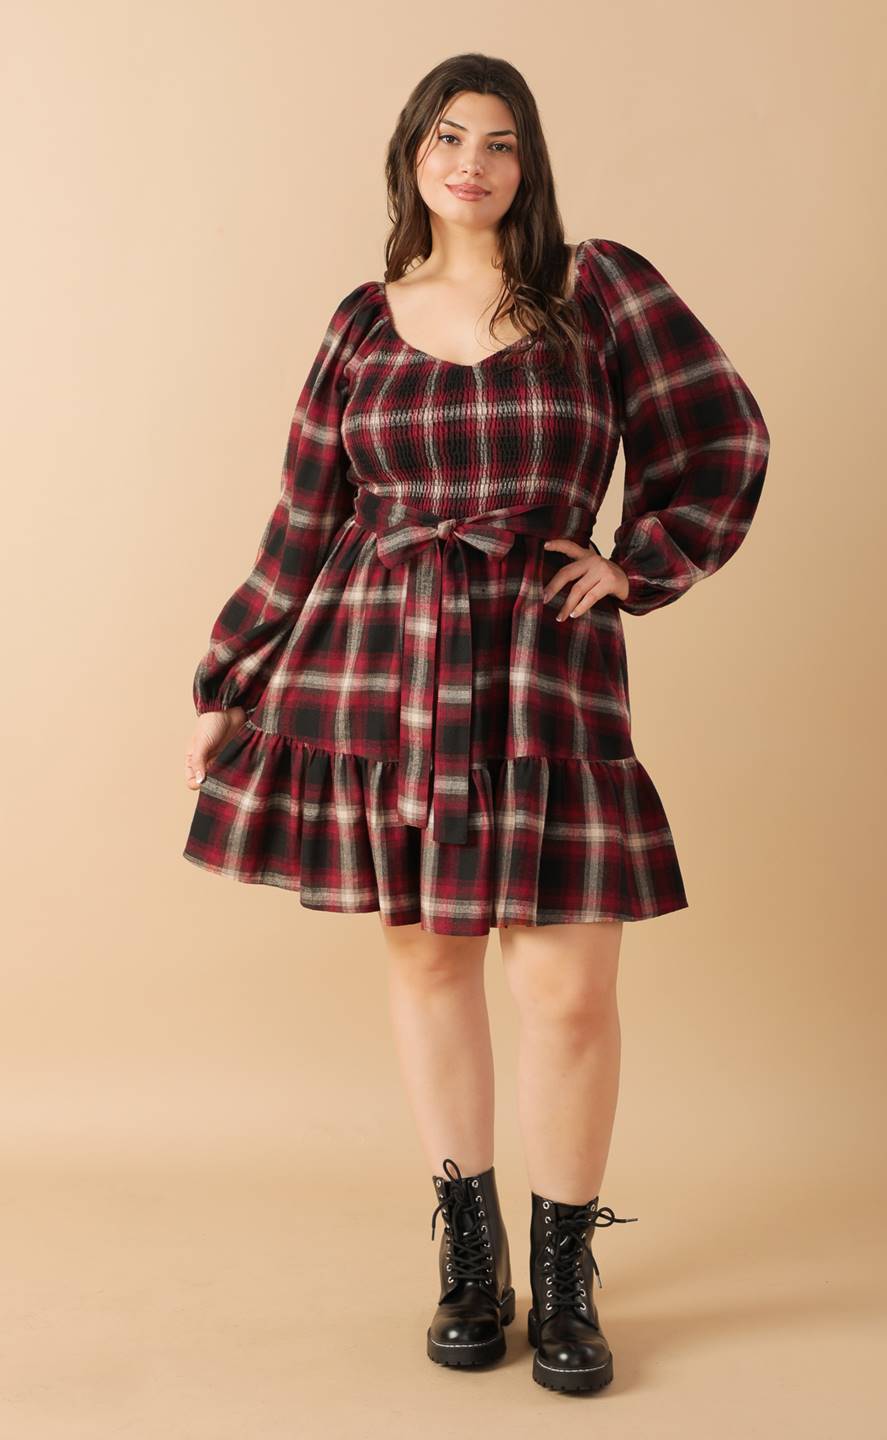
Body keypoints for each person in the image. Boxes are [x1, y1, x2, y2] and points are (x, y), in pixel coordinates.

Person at [181, 54, 770, 1394]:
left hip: (545, 668)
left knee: (567, 989)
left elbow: (722, 436)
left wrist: (638, 562)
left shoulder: (595, 291)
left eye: (500, 142)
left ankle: (564, 1276)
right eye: (449, 137)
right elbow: (304, 518)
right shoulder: (361, 322)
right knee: (432, 963)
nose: (473, 163)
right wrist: (231, 677)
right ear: (413, 156)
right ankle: (469, 1254)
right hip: (380, 665)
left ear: (528, 164)